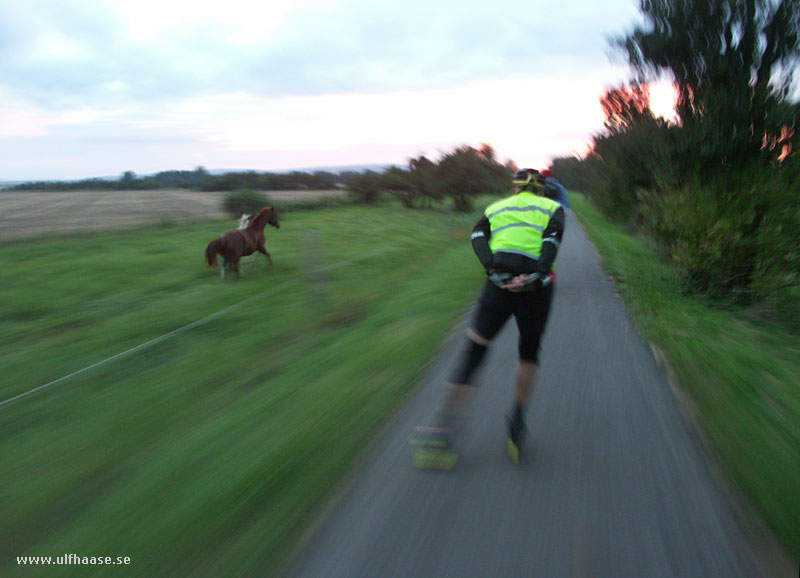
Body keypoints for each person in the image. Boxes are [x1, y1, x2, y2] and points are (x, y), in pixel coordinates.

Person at [412, 168, 565, 469]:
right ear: (541, 190)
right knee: (529, 352)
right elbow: (552, 242)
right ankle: (517, 420)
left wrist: (491, 268)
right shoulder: (552, 208)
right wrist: (534, 276)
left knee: (474, 352)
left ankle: (443, 428)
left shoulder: (495, 207)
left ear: (514, 189)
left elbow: (478, 235)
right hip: (536, 291)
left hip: (498, 287)